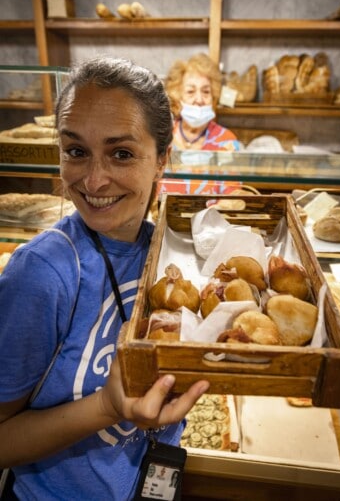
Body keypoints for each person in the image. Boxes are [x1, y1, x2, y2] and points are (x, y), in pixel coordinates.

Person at [0, 56, 209, 500]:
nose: (94, 180)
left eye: (121, 153)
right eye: (76, 151)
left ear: (161, 161)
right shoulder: (41, 275)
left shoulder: (164, 252)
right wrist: (106, 407)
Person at [159, 52, 242, 195]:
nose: (199, 99)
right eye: (190, 91)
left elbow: (232, 195)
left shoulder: (226, 140)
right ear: (178, 97)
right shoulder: (162, 135)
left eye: (206, 92)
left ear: (213, 96)